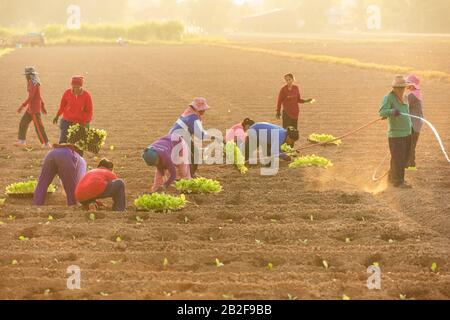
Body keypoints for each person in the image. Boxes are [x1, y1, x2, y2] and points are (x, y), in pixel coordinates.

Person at [379, 75, 413, 189]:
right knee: (398, 158)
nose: (401, 89)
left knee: (403, 157)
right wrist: (392, 111)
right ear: (394, 88)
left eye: (403, 87)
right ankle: (398, 182)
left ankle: (391, 179)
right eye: (399, 87)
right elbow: (382, 112)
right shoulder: (388, 97)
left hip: (407, 132)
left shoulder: (405, 97)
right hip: (396, 135)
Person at [169, 97, 211, 177]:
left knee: (195, 153)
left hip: (179, 136)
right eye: (203, 109)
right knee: (191, 157)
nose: (204, 111)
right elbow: (201, 135)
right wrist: (212, 136)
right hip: (179, 138)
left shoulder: (189, 113)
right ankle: (189, 176)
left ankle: (191, 174)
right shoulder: (193, 118)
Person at [15, 67, 50, 148]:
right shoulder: (33, 82)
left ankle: (46, 143)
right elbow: (39, 96)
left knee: (38, 127)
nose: (26, 77)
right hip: (31, 108)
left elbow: (31, 97)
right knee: (23, 123)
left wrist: (22, 106)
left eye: (27, 75)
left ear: (30, 75)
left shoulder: (33, 83)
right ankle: (22, 141)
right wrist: (43, 106)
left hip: (34, 109)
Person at [53, 76, 93, 144]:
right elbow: (62, 106)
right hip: (67, 121)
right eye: (74, 87)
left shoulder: (86, 96)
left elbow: (89, 111)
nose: (75, 89)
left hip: (80, 123)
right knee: (63, 142)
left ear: (81, 86)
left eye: (77, 87)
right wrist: (57, 116)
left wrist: (86, 122)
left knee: (78, 144)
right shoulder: (67, 93)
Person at [405, 74, 424, 170]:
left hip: (413, 124)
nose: (406, 85)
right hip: (417, 123)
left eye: (408, 83)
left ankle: (409, 165)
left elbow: (403, 106)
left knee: (410, 145)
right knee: (412, 144)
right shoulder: (417, 93)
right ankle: (411, 164)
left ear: (412, 85)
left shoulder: (412, 95)